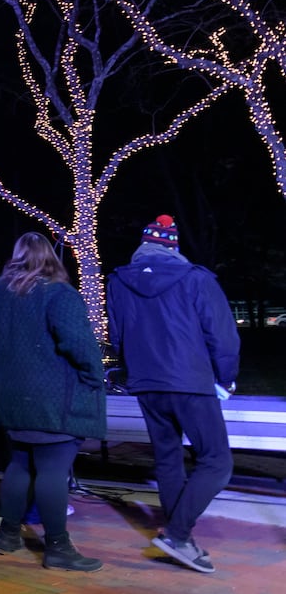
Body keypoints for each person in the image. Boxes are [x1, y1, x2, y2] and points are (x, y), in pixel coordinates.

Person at [0, 233, 106, 572]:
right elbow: (79, 343)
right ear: (50, 259)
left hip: (9, 397)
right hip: (53, 399)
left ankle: (9, 536)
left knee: (21, 463)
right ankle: (57, 546)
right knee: (53, 469)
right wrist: (93, 377)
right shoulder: (58, 293)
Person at [107, 214, 239, 574]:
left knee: (168, 458)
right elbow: (224, 337)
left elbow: (117, 335)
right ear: (174, 247)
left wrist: (135, 369)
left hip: (147, 383)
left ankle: (178, 535)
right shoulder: (196, 278)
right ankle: (178, 535)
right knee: (217, 461)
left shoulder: (118, 281)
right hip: (190, 382)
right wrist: (225, 379)